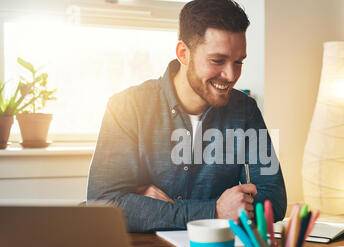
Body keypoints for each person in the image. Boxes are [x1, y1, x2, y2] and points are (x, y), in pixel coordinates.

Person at [87, 0, 287, 232]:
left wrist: (153, 209)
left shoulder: (245, 111)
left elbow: (275, 200)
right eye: (217, 61)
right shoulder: (126, 107)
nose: (232, 75)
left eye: (238, 62)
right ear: (183, 53)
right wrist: (215, 211)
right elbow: (103, 204)